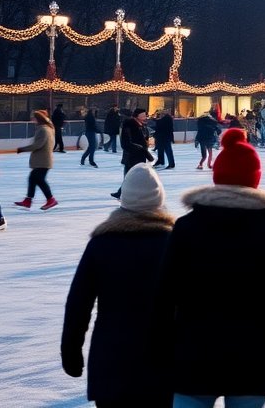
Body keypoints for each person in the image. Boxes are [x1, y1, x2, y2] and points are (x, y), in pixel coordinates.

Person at [156, 126, 265, 404]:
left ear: (217, 177)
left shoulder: (186, 228)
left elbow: (165, 291)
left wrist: (155, 345)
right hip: (255, 354)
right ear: (255, 180)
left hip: (195, 351)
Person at [62, 165, 174, 407]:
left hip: (112, 364)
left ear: (124, 199)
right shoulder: (174, 243)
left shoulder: (102, 244)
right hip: (165, 365)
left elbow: (78, 305)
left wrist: (70, 352)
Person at [15, 110, 58, 210]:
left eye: (33, 118)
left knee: (39, 179)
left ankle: (50, 199)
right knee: (33, 178)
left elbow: (38, 145)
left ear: (38, 118)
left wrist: (22, 149)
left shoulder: (43, 129)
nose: (32, 120)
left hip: (43, 160)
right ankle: (28, 200)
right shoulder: (46, 128)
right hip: (42, 159)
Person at [113, 108, 152, 199]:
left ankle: (122, 193)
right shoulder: (129, 125)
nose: (145, 117)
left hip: (140, 156)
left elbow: (144, 138)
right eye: (142, 116)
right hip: (131, 156)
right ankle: (125, 194)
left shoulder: (142, 126)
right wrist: (139, 147)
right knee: (130, 176)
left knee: (133, 177)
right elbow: (126, 143)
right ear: (136, 116)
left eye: (145, 115)